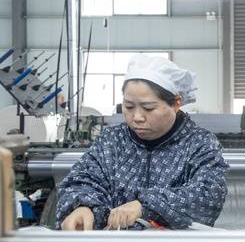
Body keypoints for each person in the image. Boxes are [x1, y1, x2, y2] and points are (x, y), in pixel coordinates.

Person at [57, 55, 228, 230]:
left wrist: (145, 206)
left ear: (176, 103)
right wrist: (84, 207)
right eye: (129, 107)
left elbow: (208, 196)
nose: (137, 117)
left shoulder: (199, 144)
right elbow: (83, 179)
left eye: (148, 108)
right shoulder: (112, 141)